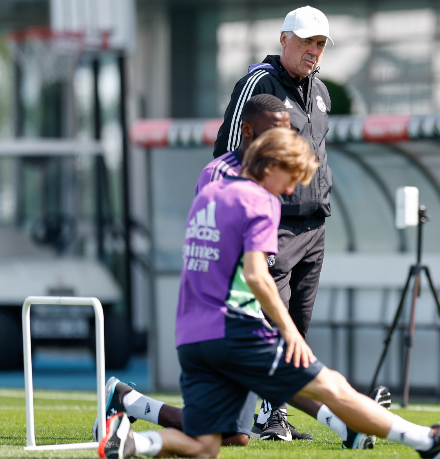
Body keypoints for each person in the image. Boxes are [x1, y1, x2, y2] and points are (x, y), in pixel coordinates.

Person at [98, 128, 440, 459]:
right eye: (292, 176)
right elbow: (257, 275)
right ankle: (427, 441)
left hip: (192, 336)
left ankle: (132, 442)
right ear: (271, 166)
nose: (292, 187)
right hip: (235, 330)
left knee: (204, 446)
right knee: (332, 386)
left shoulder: (208, 195)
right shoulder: (260, 200)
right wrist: (289, 332)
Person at [93, 94, 391, 449]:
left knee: (233, 434)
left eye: (288, 131)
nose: (282, 140)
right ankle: (349, 424)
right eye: (274, 132)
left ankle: (128, 403)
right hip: (226, 309)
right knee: (282, 374)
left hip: (243, 302)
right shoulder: (220, 176)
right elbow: (217, 246)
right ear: (247, 132)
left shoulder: (268, 178)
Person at [212, 5, 335, 440]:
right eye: (305, 42)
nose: (313, 51)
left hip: (314, 225)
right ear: (284, 39)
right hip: (274, 224)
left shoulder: (320, 91)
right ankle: (267, 413)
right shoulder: (257, 85)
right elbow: (227, 151)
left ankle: (269, 412)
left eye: (320, 44)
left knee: (297, 323)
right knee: (271, 317)